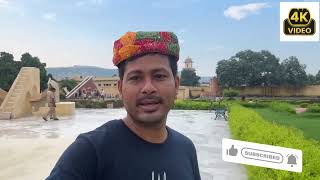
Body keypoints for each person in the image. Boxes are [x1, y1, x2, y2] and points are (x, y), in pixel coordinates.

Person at [46, 31, 201, 180]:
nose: (148, 88)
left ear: (176, 84)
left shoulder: (186, 149)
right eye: (135, 78)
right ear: (120, 88)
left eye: (159, 76)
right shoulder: (90, 152)